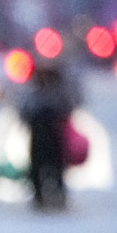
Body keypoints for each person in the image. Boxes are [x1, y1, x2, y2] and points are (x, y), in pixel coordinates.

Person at [20, 60, 82, 212]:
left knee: (56, 169)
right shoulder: (32, 93)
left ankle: (57, 198)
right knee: (39, 169)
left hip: (55, 137)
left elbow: (72, 104)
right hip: (39, 137)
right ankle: (40, 198)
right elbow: (23, 112)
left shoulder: (59, 93)